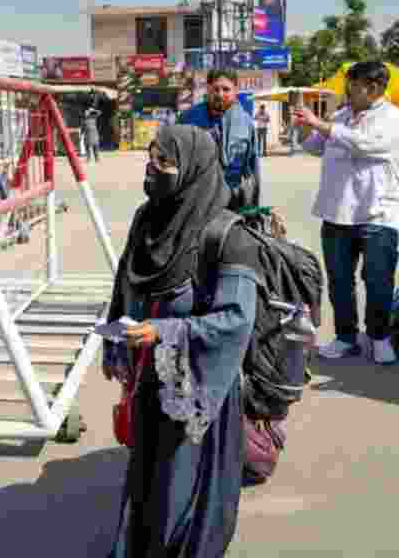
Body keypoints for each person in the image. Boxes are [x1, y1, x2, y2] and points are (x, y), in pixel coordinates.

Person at [104, 125, 260, 558]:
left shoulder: (228, 236)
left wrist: (168, 332)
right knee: (147, 477)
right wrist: (115, 340)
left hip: (198, 384)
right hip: (149, 379)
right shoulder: (147, 217)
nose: (153, 170)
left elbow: (235, 320)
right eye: (151, 158)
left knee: (182, 482)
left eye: (165, 163)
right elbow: (126, 280)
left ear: (193, 170)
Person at [293, 60, 399, 366]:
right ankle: (346, 337)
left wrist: (322, 125)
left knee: (378, 278)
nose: (347, 92)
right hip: (336, 211)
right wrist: (304, 128)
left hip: (377, 213)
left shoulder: (391, 117)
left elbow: (365, 144)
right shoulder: (341, 115)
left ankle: (379, 336)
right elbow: (315, 146)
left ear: (374, 88)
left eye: (353, 86)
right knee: (339, 280)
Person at [179, 69, 262, 210]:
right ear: (208, 89)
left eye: (226, 89)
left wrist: (252, 206)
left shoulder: (245, 123)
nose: (220, 94)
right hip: (195, 200)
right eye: (215, 89)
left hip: (232, 200)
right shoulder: (189, 118)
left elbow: (252, 168)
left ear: (235, 90)